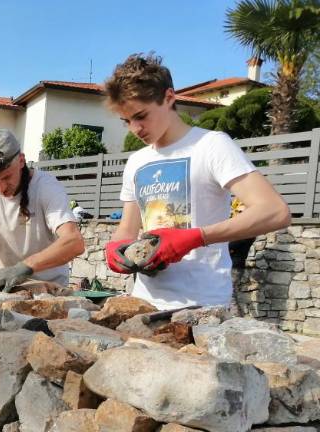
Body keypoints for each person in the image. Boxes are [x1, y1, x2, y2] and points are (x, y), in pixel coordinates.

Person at [103, 53, 291, 310]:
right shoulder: (136, 161)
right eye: (126, 121)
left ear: (169, 98)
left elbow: (274, 211)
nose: (135, 129)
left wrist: (196, 237)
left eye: (141, 116)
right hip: (144, 302)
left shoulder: (211, 145)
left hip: (202, 307)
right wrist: (116, 247)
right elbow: (127, 228)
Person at [0, 128, 85, 292]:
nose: (1, 188)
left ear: (21, 160)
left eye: (7, 177)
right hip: (5, 286)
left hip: (50, 288)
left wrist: (25, 267)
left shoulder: (46, 187)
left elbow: (74, 242)